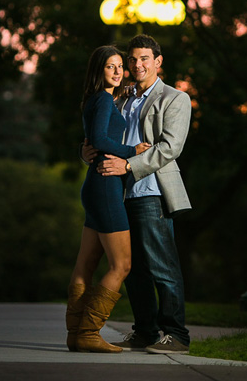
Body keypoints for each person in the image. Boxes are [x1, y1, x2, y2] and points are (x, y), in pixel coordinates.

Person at [85, 34, 192, 354]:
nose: (137, 65)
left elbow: (170, 147)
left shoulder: (174, 98)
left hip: (151, 190)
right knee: (132, 268)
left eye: (144, 58)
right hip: (118, 192)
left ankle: (176, 334)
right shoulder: (120, 98)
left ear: (158, 62)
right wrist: (86, 150)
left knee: (162, 266)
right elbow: (101, 135)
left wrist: (128, 165)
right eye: (132, 59)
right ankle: (145, 330)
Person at [67, 46, 151, 353]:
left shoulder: (98, 98)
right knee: (122, 264)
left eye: (120, 67)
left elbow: (93, 138)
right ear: (98, 70)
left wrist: (123, 93)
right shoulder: (103, 99)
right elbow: (101, 140)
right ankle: (89, 332)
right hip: (106, 185)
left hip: (95, 185)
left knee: (86, 263)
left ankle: (75, 333)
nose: (117, 72)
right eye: (110, 67)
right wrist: (134, 151)